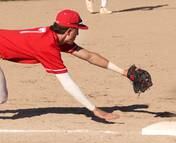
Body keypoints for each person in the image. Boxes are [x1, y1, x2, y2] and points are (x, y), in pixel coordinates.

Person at [0, 9, 130, 121]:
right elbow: (67, 83)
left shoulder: (56, 38)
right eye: (77, 30)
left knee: (1, 97)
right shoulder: (47, 46)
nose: (78, 34)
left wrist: (123, 72)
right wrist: (94, 109)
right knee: (1, 97)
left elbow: (90, 56)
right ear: (69, 31)